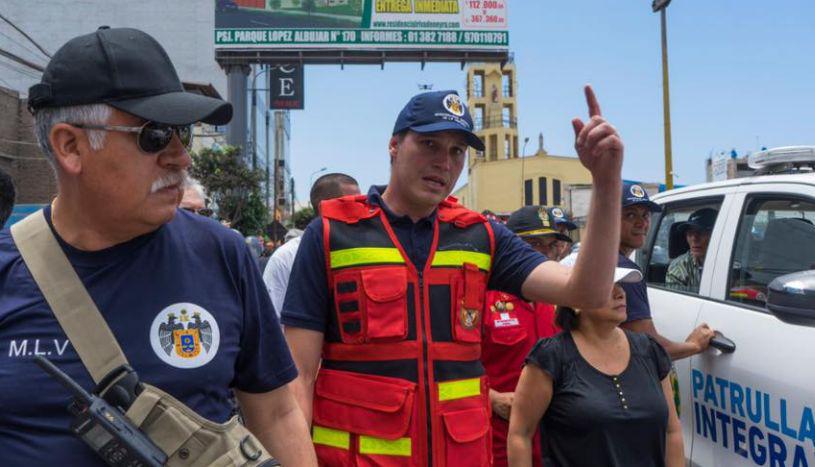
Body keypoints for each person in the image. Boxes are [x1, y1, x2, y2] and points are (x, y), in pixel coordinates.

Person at [0, 27, 316, 465]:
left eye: (182, 132)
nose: (181, 157)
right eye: (154, 135)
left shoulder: (222, 253)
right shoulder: (8, 267)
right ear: (70, 146)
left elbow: (278, 414)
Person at [282, 86, 625, 466]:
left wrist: (606, 182)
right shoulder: (331, 235)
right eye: (429, 144)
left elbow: (588, 292)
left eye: (457, 151)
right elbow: (298, 376)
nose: (444, 162)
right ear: (394, 146)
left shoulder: (481, 236)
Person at [507, 252, 684, 467]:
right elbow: (520, 434)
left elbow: (672, 431)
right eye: (606, 285)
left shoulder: (649, 350)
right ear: (575, 300)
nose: (620, 292)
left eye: (620, 284)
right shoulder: (551, 357)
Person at [481, 206, 566, 467]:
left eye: (551, 245)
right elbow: (450, 369)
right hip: (498, 440)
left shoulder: (560, 301)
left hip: (553, 441)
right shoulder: (482, 297)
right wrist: (492, 398)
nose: (544, 254)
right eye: (534, 244)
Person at [617, 182, 714, 360]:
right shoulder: (625, 272)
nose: (641, 223)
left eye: (645, 215)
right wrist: (695, 345)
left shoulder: (602, 260)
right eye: (630, 215)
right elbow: (649, 348)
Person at [263, 172, 360, 318]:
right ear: (324, 208)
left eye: (362, 203)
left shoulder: (363, 249)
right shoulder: (286, 258)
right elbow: (273, 319)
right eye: (351, 205)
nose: (360, 211)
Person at [666, 208, 718, 289]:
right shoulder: (679, 268)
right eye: (690, 233)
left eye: (701, 232)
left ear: (716, 235)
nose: (694, 239)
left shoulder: (731, 263)